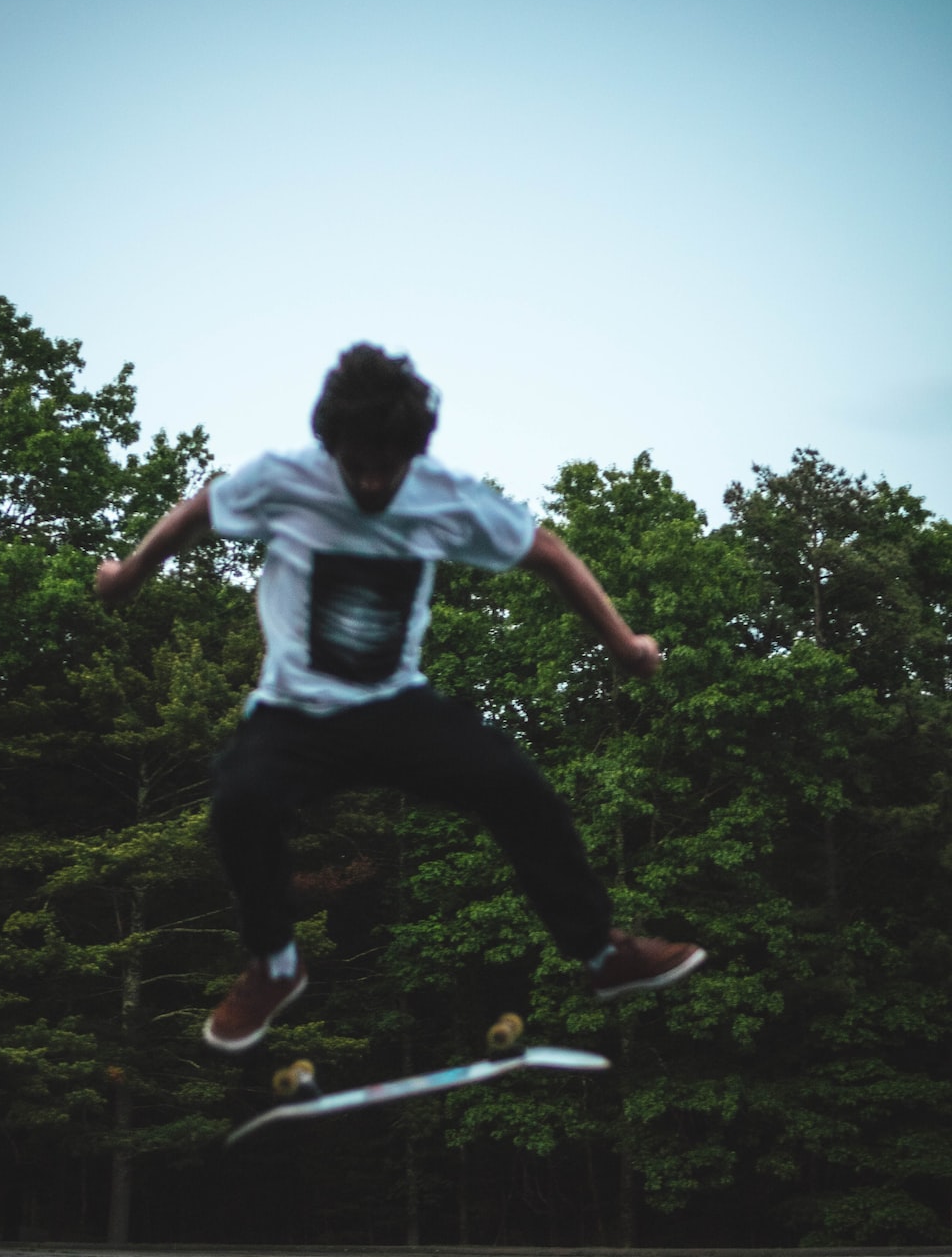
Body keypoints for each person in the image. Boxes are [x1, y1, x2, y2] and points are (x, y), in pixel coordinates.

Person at [95, 344, 705, 1052]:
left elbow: (549, 554)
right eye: (359, 463)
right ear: (334, 447)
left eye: (390, 463)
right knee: (240, 800)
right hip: (295, 710)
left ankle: (602, 953)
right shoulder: (285, 480)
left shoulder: (444, 495)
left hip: (394, 706)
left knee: (515, 783)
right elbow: (199, 510)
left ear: (413, 451)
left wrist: (624, 644)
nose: (375, 479)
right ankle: (274, 963)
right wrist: (131, 575)